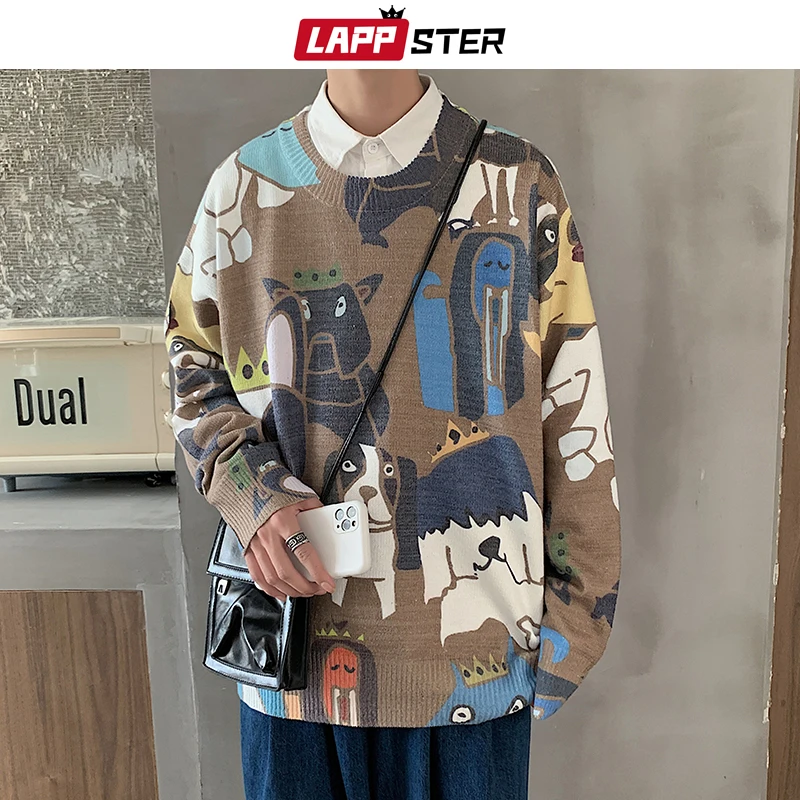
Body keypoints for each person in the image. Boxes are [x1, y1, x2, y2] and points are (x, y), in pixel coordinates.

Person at [165, 69, 621, 800]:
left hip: (473, 663)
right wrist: (255, 500)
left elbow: (574, 405)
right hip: (293, 665)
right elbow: (192, 373)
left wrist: (577, 619)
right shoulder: (240, 189)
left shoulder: (520, 181)